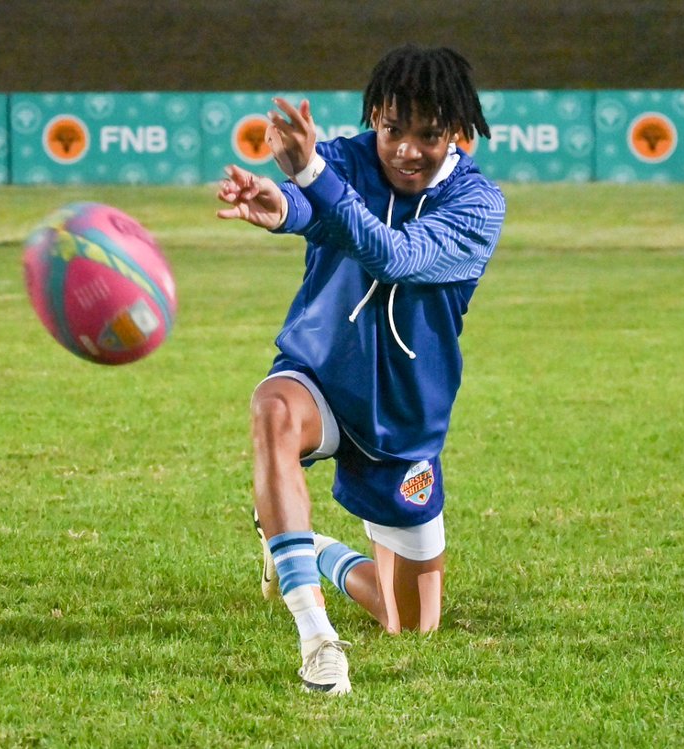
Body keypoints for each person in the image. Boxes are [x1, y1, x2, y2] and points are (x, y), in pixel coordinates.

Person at [215, 44, 506, 695]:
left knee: (408, 624)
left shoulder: (478, 206)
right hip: (322, 376)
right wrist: (281, 203)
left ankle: (301, 543)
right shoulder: (345, 159)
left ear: (455, 133)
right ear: (375, 117)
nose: (405, 149)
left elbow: (395, 256)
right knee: (272, 410)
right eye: (392, 129)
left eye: (427, 135)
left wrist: (314, 175)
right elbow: (310, 205)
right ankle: (317, 639)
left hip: (404, 421)